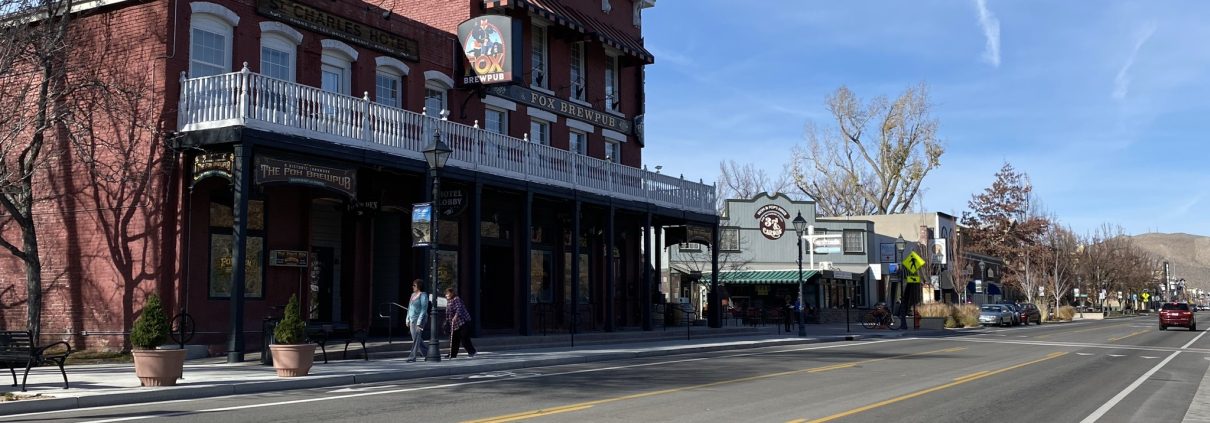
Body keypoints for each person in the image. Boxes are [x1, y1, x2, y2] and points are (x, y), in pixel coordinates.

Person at [444, 287, 476, 359]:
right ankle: (452, 354)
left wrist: (456, 316)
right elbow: (448, 314)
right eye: (446, 294)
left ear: (452, 293)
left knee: (464, 338)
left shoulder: (456, 299)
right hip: (454, 325)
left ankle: (472, 351)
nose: (446, 295)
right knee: (454, 340)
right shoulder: (449, 302)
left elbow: (459, 308)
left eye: (448, 293)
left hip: (462, 322)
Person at [405, 279, 429, 362]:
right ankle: (428, 354)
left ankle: (412, 357)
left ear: (419, 286)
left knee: (416, 339)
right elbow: (409, 308)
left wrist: (419, 322)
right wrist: (407, 319)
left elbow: (424, 309)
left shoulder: (423, 295)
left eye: (414, 285)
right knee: (416, 338)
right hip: (412, 319)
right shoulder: (412, 295)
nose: (413, 287)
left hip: (420, 320)